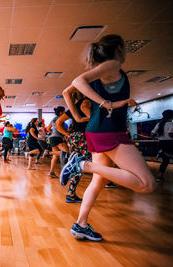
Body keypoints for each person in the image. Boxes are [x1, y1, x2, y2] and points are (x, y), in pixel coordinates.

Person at [60, 34, 155, 241]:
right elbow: (77, 82)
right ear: (120, 48)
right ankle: (83, 165)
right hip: (109, 130)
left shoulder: (105, 70)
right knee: (146, 183)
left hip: (98, 130)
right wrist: (107, 103)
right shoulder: (112, 64)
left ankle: (81, 224)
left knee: (99, 180)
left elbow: (67, 92)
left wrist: (79, 115)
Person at [58, 88, 91, 203]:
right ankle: (71, 192)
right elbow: (84, 107)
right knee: (84, 163)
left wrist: (68, 134)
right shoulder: (86, 102)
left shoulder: (74, 106)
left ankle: (71, 194)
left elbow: (58, 123)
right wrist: (92, 118)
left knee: (82, 164)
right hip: (82, 136)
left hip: (74, 137)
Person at [44, 106, 69, 178]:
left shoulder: (53, 119)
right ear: (61, 112)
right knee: (66, 152)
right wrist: (64, 133)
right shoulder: (61, 119)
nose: (65, 113)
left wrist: (53, 133)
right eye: (64, 111)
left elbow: (48, 129)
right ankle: (48, 153)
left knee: (55, 156)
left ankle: (51, 172)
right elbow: (59, 128)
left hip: (53, 137)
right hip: (58, 138)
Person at [151, 109, 173, 182]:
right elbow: (171, 134)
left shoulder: (159, 124)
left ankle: (160, 177)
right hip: (170, 144)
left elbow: (152, 134)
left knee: (165, 161)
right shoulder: (171, 124)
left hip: (161, 144)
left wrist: (159, 137)